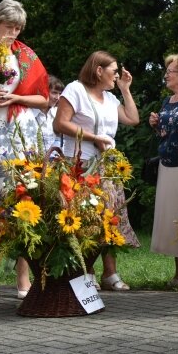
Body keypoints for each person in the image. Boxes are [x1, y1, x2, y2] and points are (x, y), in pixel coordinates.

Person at [54, 51, 141, 290]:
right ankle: (86, 272)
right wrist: (93, 138)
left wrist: (125, 89)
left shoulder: (110, 99)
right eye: (114, 72)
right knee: (85, 219)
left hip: (105, 166)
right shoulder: (75, 90)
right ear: (99, 70)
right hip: (79, 162)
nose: (117, 75)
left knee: (108, 217)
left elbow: (133, 119)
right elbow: (60, 123)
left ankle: (110, 273)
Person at [0, 0, 49, 302]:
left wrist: (15, 99)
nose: (13, 32)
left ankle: (24, 277)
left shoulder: (25, 56)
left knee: (23, 200)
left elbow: (44, 99)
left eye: (17, 27)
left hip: (19, 134)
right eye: (8, 26)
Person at [148, 53, 178, 288]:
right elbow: (167, 134)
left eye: (171, 71)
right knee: (174, 219)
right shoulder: (168, 101)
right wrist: (156, 124)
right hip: (168, 166)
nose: (166, 74)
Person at [35, 75, 65, 152]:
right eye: (54, 93)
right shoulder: (30, 113)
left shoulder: (57, 112)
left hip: (54, 159)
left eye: (60, 93)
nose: (57, 97)